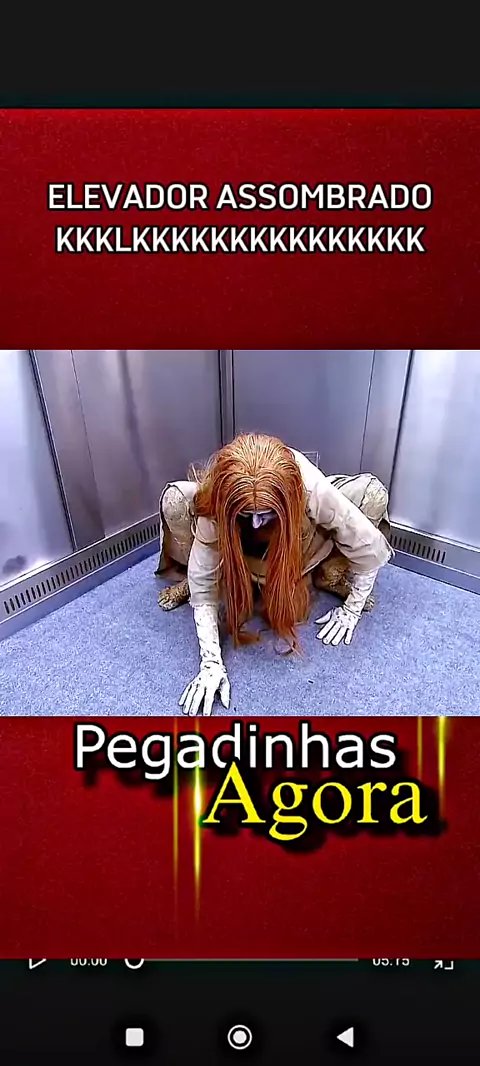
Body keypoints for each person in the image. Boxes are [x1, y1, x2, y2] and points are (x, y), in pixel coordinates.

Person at [155, 433, 393, 716]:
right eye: (248, 514)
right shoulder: (218, 495)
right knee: (176, 500)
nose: (256, 524)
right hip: (237, 555)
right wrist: (211, 664)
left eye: (264, 514)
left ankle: (329, 574)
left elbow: (365, 543)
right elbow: (205, 583)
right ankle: (197, 579)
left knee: (373, 494)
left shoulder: (311, 488)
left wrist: (352, 609)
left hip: (300, 549)